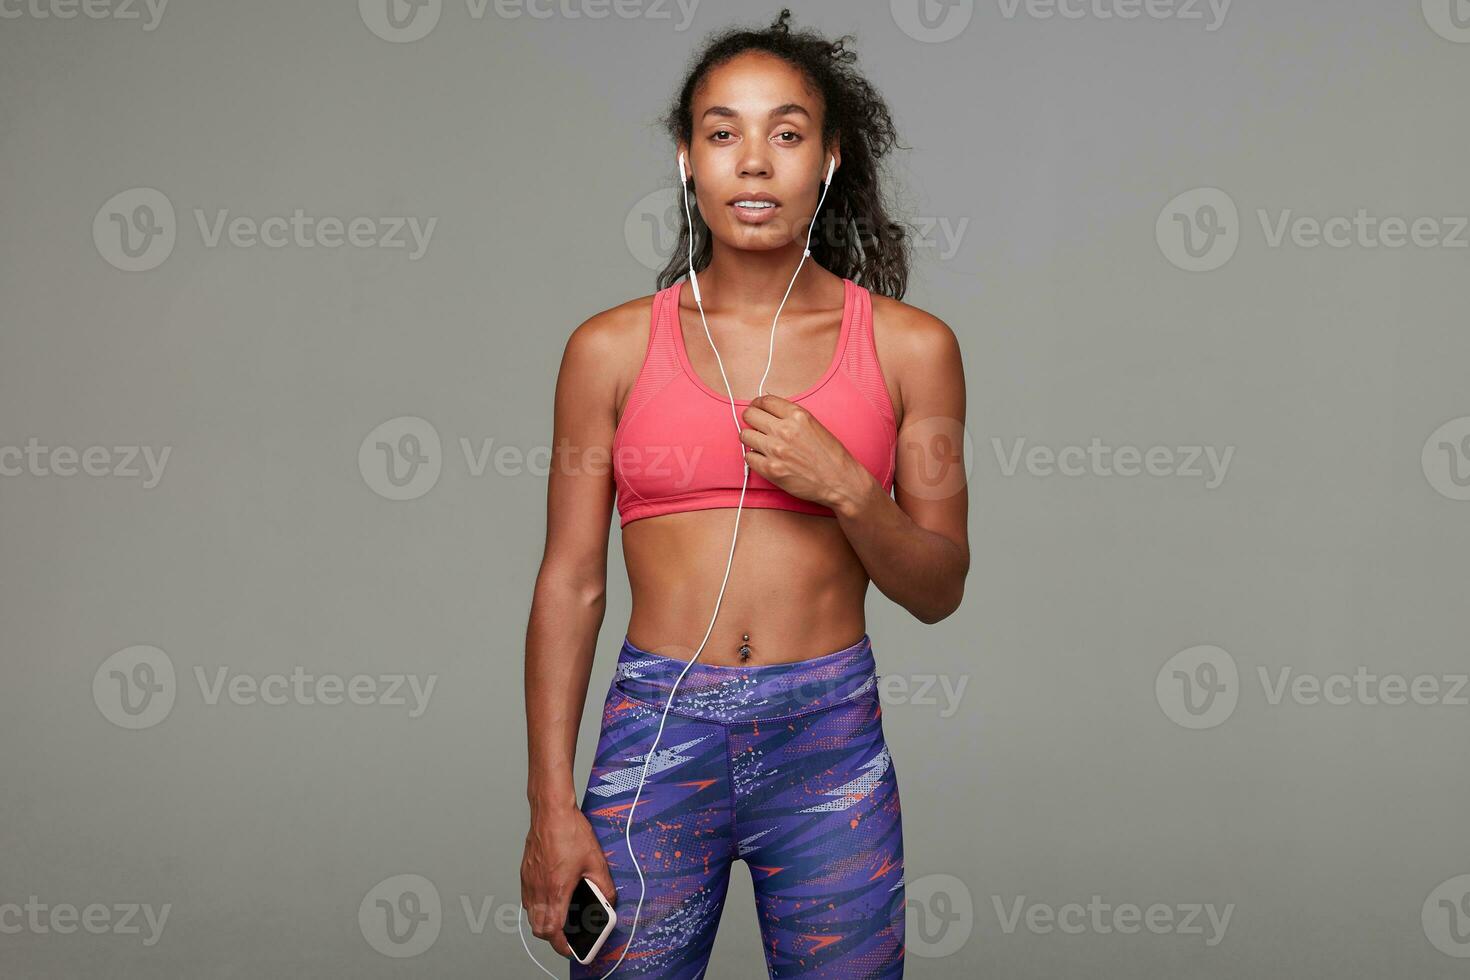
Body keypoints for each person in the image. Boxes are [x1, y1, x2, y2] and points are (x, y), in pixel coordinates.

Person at [520, 10, 969, 978]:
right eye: (723, 132)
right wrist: (551, 805)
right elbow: (571, 585)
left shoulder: (910, 348)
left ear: (829, 159)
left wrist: (847, 486)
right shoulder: (608, 350)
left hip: (829, 742)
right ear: (689, 158)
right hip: (657, 734)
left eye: (787, 133)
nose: (754, 162)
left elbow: (938, 585)